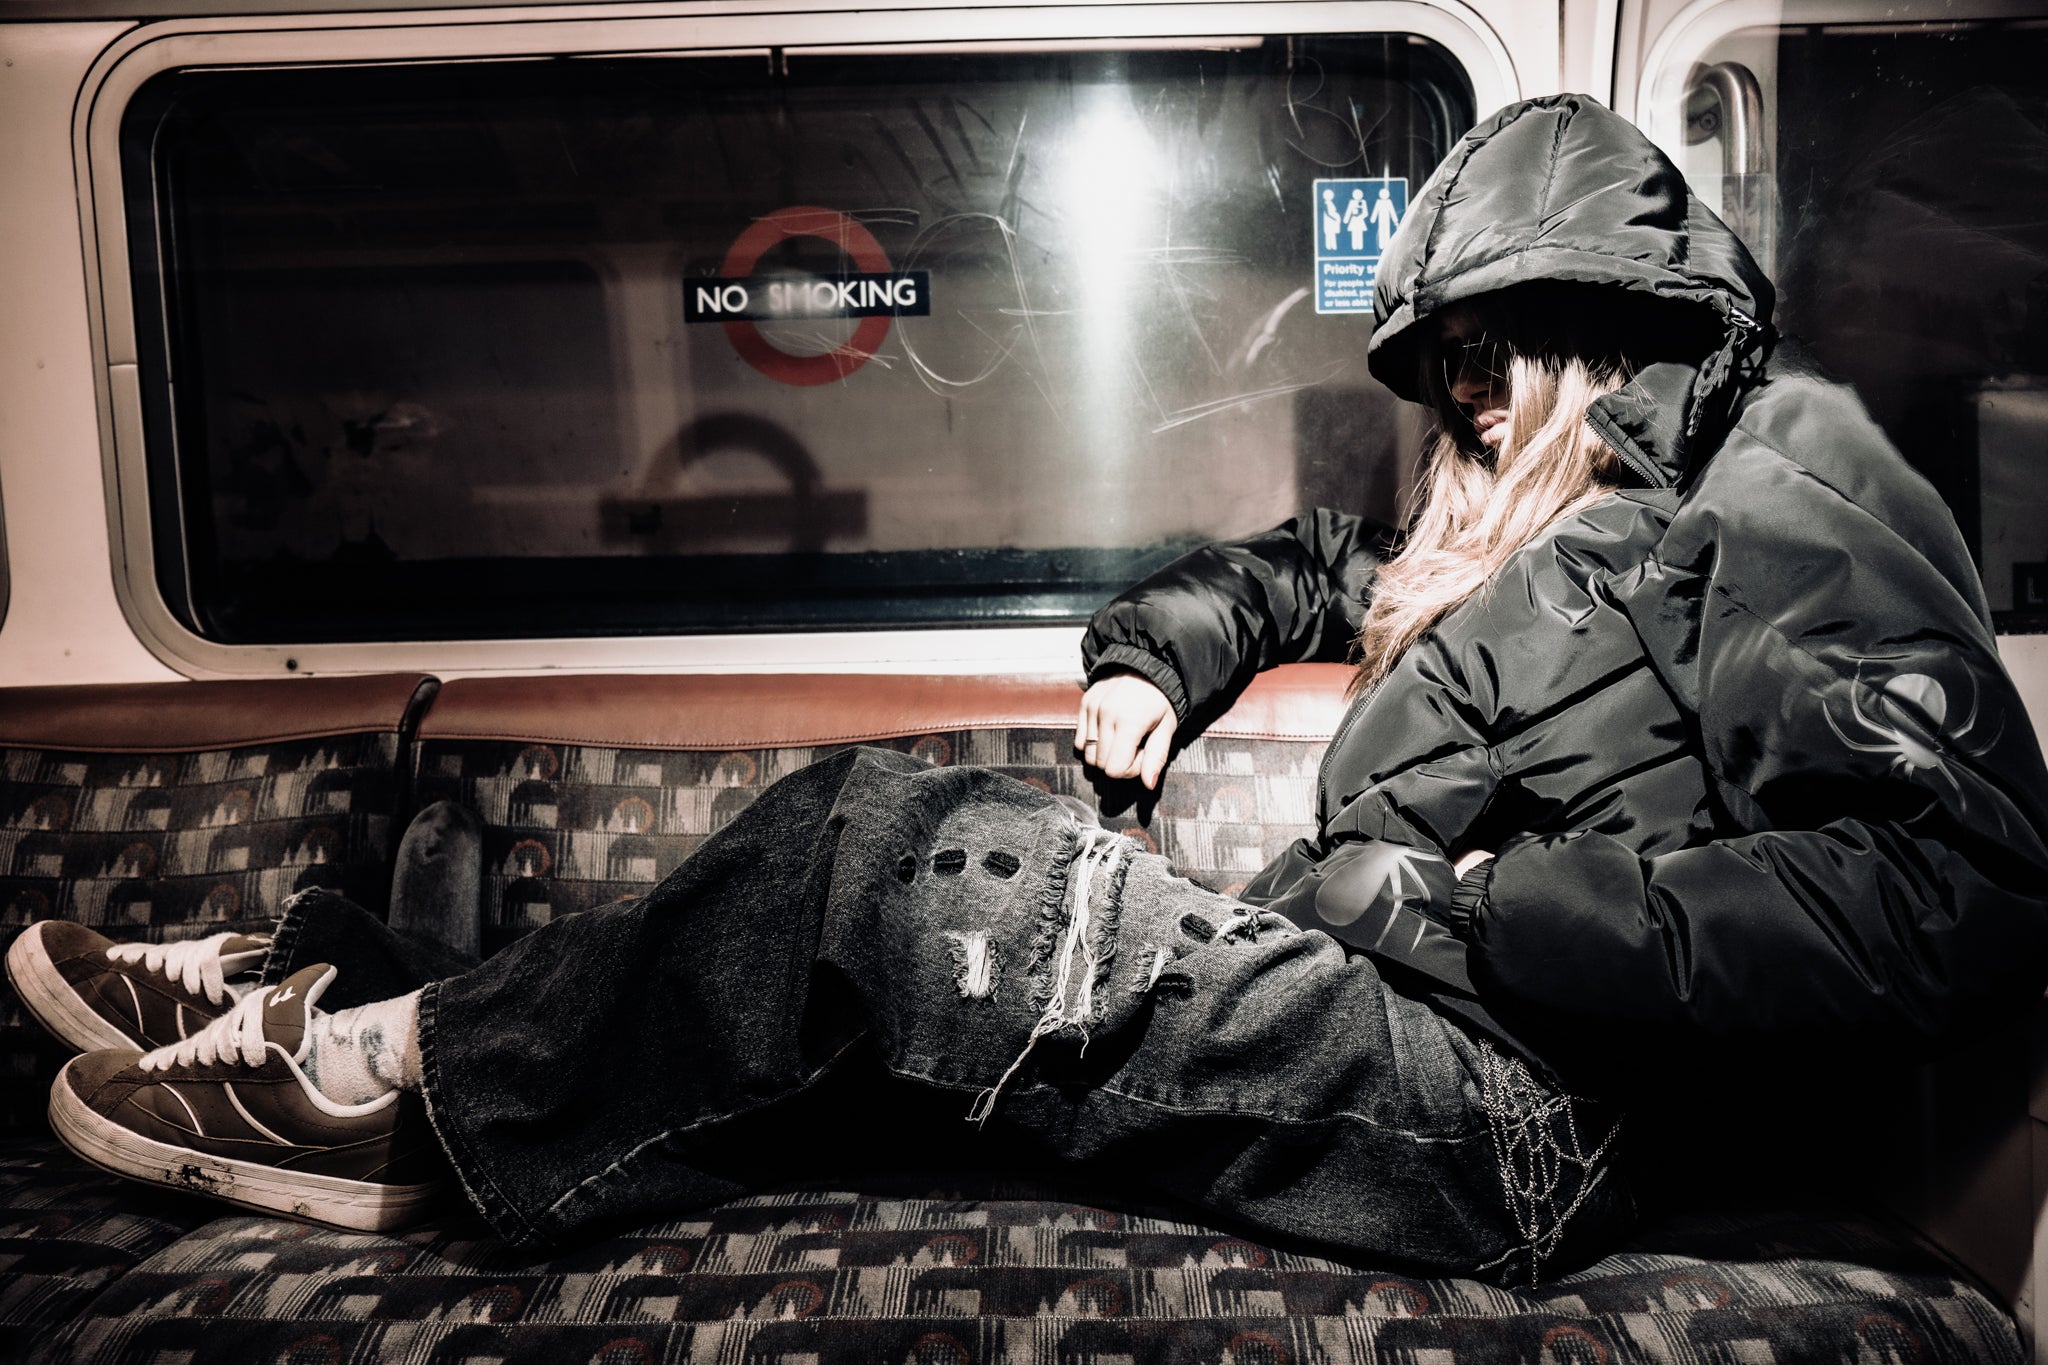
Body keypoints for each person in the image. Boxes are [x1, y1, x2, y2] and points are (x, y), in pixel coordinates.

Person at [10, 94, 2048, 1286]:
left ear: (1613, 321)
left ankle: (385, 1096)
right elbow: (1298, 571)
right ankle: (361, 995)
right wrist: (1159, 663)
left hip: (1538, 1121)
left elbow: (1949, 887)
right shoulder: (1524, 520)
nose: (1465, 392)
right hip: (1420, 1015)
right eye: (1441, 358)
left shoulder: (1779, 487)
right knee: (853, 913)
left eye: (1498, 345)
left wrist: (1472, 907)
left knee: (908, 869)